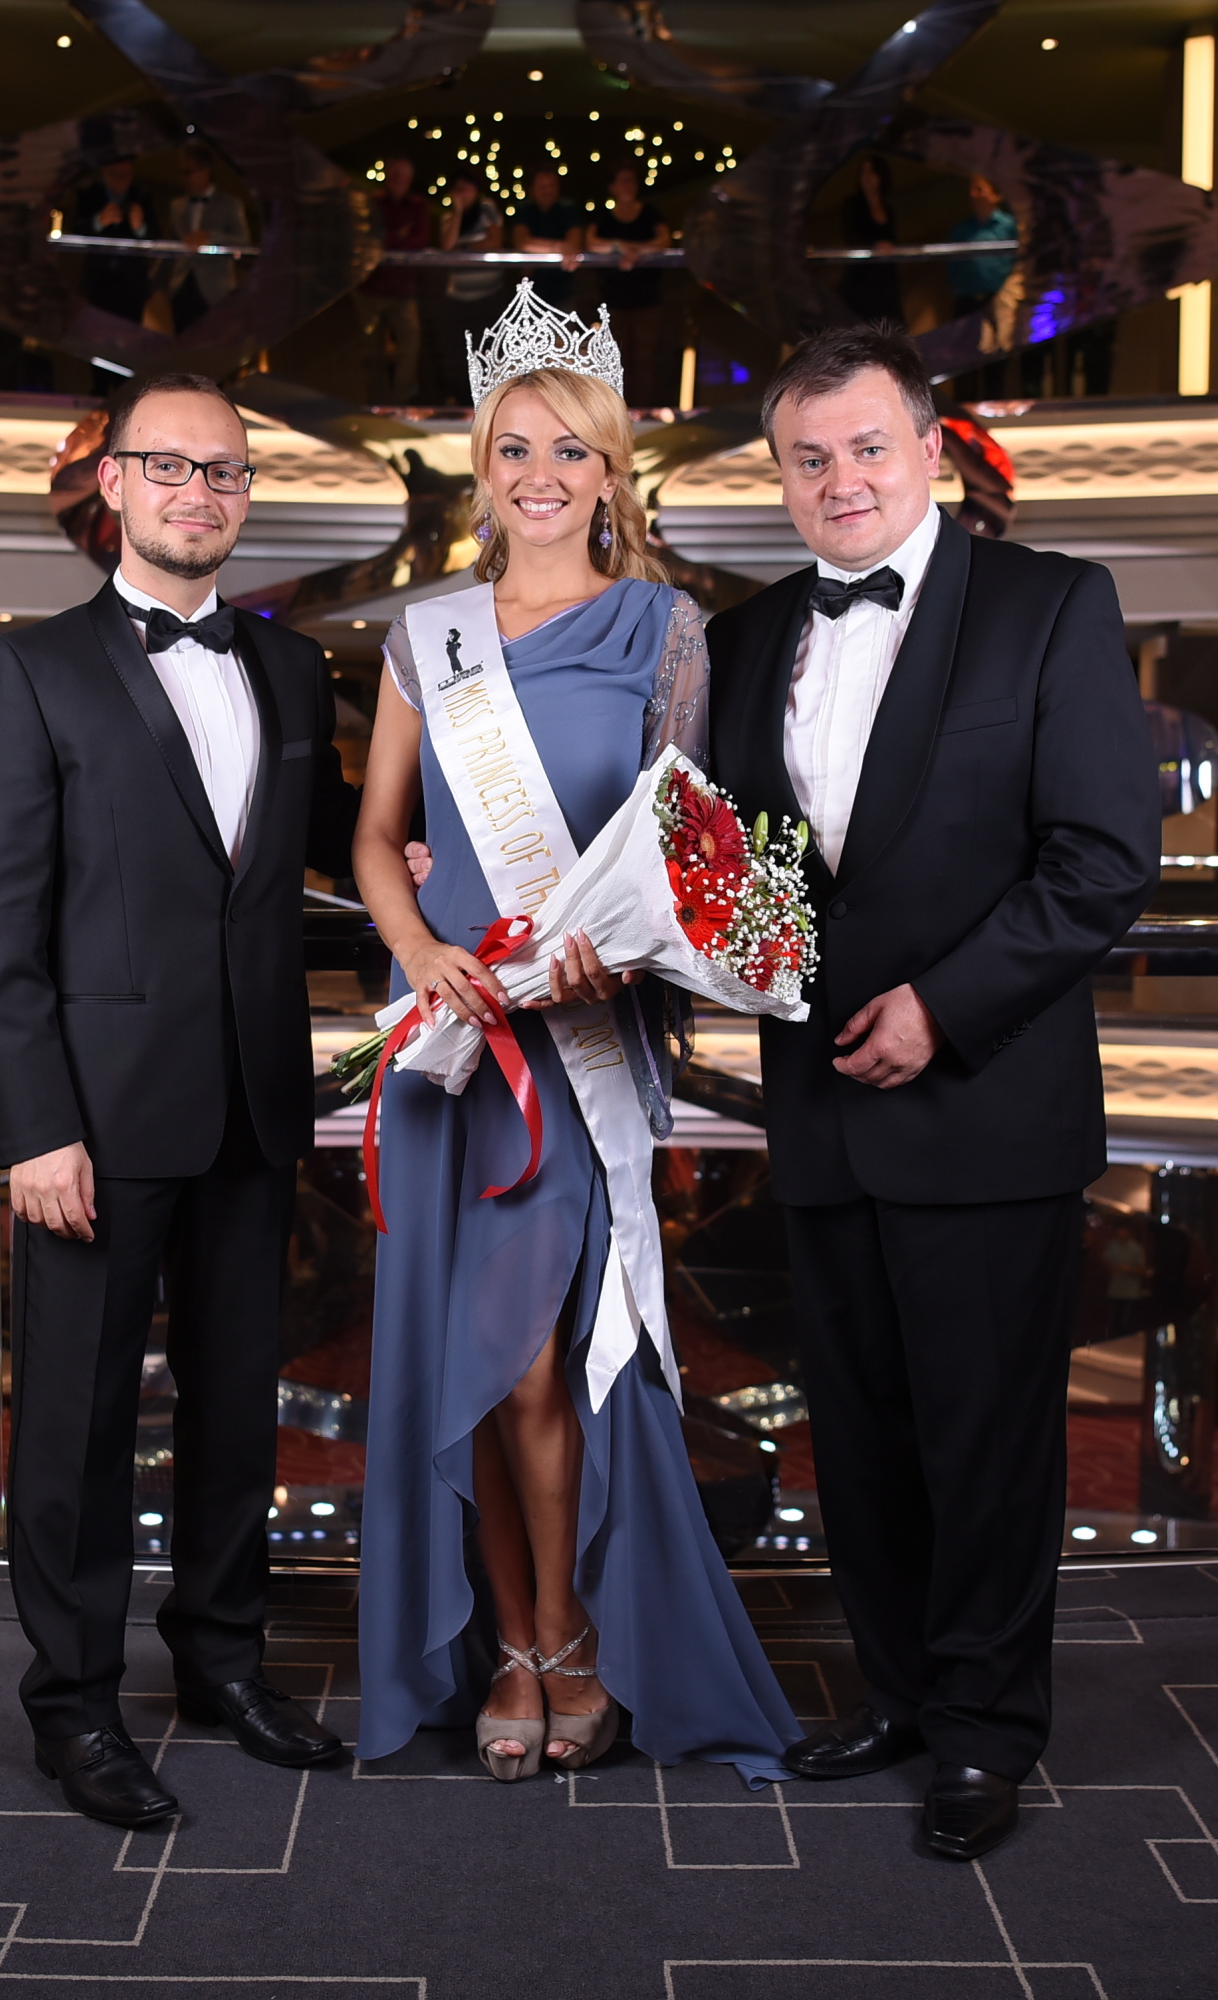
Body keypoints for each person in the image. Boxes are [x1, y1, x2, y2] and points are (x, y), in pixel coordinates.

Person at [700, 323, 1157, 1860]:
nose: (840, 479)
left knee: (987, 1445)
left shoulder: (1052, 606)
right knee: (863, 1437)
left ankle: (983, 1731)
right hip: (822, 1109)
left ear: (930, 449)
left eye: (866, 447)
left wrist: (943, 1011)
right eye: (808, 458)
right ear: (781, 478)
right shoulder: (748, 639)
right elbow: (750, 870)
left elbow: (1104, 859)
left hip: (983, 1103)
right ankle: (898, 1692)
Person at [351, 283, 796, 1788]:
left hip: (579, 1051)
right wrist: (421, 946)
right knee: (477, 1365)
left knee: (543, 1359)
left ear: (612, 473)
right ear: (481, 470)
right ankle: (517, 1642)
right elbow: (377, 837)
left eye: (571, 449)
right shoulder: (427, 637)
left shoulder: (667, 631)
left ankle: (570, 1637)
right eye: (514, 448)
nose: (541, 474)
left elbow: (686, 856)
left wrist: (631, 955)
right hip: (452, 1049)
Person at [0, 371, 359, 1830]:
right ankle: (73, 1704)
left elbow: (336, 850)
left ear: (248, 495)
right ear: (114, 484)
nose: (200, 492)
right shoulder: (29, 670)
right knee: (74, 1424)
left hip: (253, 1102)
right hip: (95, 1121)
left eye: (226, 471)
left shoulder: (295, 669)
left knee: (236, 1408)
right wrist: (32, 1128)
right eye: (171, 467)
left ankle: (222, 1658)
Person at [589, 165, 672, 406]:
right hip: (613, 301)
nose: (628, 185)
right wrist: (619, 246)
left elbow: (664, 240)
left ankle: (642, 409)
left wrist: (638, 252)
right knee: (615, 359)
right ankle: (616, 410)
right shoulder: (604, 217)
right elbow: (591, 243)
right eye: (622, 180)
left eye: (631, 180)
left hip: (647, 299)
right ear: (612, 186)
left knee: (646, 360)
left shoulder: (650, 213)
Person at [361, 155, 435, 402]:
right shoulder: (373, 203)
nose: (398, 180)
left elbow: (419, 240)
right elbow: (369, 240)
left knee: (409, 348)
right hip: (370, 289)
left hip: (403, 291)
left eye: (403, 176)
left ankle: (400, 404)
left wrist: (387, 241)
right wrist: (398, 236)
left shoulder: (418, 206)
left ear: (410, 179)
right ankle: (376, 404)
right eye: (394, 174)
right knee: (373, 352)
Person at [159, 142, 248, 335]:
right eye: (182, 173)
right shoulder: (177, 205)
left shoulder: (230, 204)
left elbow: (243, 242)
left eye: (188, 172)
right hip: (181, 288)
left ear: (205, 171)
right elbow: (170, 248)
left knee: (214, 343)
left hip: (215, 290)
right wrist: (156, 283)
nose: (184, 178)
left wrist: (210, 237)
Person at [437, 173, 506, 399]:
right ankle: (462, 400)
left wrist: (464, 248)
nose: (463, 193)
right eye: (459, 189)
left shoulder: (487, 209)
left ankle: (488, 400)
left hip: (488, 295)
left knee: (487, 351)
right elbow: (448, 246)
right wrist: (457, 212)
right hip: (457, 298)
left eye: (468, 188)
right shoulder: (449, 217)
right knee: (459, 354)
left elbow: (495, 241)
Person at [68, 154, 153, 324]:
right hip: (96, 280)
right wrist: (98, 221)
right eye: (114, 174)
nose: (120, 180)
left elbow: (155, 236)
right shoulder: (88, 193)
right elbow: (75, 230)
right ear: (104, 171)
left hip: (131, 284)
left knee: (128, 334)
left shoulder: (142, 195)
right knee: (93, 330)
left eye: (125, 175)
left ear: (132, 173)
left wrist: (140, 227)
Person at [946, 175, 1022, 361]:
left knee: (998, 357)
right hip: (968, 301)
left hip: (1000, 300)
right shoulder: (961, 230)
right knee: (964, 357)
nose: (974, 195)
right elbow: (952, 266)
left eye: (980, 189)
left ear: (995, 195)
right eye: (971, 190)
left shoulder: (1010, 227)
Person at [837, 153, 903, 327]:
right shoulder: (852, 205)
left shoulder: (888, 210)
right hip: (861, 278)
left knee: (891, 324)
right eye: (863, 172)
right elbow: (851, 237)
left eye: (871, 172)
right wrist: (874, 247)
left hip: (885, 279)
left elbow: (894, 241)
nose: (866, 177)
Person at [509, 165, 586, 307]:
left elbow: (574, 243)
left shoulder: (568, 208)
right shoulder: (524, 209)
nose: (548, 190)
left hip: (564, 288)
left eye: (552, 185)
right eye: (542, 186)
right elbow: (523, 242)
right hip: (530, 290)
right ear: (531, 189)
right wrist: (560, 248)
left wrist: (540, 247)